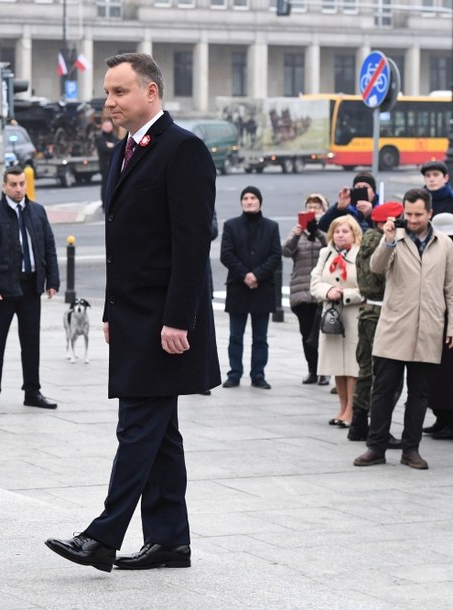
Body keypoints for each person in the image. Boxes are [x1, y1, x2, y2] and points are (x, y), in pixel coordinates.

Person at [45, 52, 218, 573]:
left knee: (138, 428)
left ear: (151, 92)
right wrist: (111, 312)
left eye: (119, 92)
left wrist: (178, 320)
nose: (109, 102)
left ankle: (102, 537)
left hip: (165, 320)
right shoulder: (125, 149)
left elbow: (191, 244)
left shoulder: (184, 150)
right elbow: (128, 241)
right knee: (160, 435)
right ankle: (169, 541)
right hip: (135, 316)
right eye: (107, 92)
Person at [354, 188, 453, 470]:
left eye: (418, 214)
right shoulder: (394, 239)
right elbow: (376, 267)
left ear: (429, 213)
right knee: (383, 390)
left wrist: (452, 326)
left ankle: (411, 449)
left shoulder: (445, 244)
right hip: (395, 326)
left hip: (428, 328)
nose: (412, 219)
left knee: (419, 393)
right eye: (407, 214)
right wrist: (387, 241)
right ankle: (376, 446)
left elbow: (451, 288)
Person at [0, 165, 60, 412]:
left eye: (22, 183)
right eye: (13, 184)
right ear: (4, 186)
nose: (18, 188)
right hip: (3, 289)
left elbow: (49, 247)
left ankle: (32, 391)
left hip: (31, 286)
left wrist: (52, 281)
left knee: (31, 342)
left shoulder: (37, 211)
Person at [347, 201, 405, 444]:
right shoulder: (383, 244)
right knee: (387, 378)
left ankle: (358, 424)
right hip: (382, 312)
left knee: (366, 371)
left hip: (367, 310)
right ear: (385, 223)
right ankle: (378, 428)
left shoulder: (366, 241)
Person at [220, 186, 281, 389]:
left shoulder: (271, 227)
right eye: (245, 198)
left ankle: (258, 374)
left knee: (260, 337)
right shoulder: (231, 225)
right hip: (238, 287)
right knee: (235, 335)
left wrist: (257, 275)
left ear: (259, 201)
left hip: (262, 288)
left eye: (253, 197)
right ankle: (234, 373)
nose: (248, 201)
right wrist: (245, 274)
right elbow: (226, 254)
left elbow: (275, 256)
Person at [310, 216, 365, 428]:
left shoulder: (360, 254)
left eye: (345, 231)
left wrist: (345, 294)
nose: (340, 235)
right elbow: (315, 282)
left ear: (354, 234)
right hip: (331, 315)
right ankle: (342, 408)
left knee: (352, 366)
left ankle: (351, 410)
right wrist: (328, 291)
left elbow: (366, 288)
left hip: (352, 315)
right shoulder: (326, 253)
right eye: (337, 231)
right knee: (337, 366)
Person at [282, 193, 328, 385]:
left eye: (317, 207)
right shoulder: (298, 232)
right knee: (306, 334)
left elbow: (331, 246)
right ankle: (312, 369)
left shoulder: (327, 230)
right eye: (309, 207)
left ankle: (325, 371)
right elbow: (285, 251)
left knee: (323, 334)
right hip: (301, 289)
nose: (312, 210)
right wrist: (297, 233)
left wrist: (317, 231)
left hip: (323, 290)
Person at [425, 212, 453, 439]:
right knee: (436, 373)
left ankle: (449, 421)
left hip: (448, 320)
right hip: (436, 317)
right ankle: (441, 417)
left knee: (446, 374)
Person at [95, 118, 119, 212]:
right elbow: (103, 149)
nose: (108, 127)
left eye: (109, 126)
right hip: (105, 166)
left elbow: (119, 147)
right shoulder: (100, 138)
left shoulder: (114, 137)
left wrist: (111, 146)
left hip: (115, 166)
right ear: (102, 127)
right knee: (105, 186)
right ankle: (105, 205)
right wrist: (112, 146)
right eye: (106, 126)